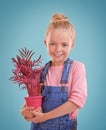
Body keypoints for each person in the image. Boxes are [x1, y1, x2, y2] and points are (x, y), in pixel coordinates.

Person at [20, 13, 87, 130]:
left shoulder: (76, 68)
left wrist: (45, 117)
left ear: (72, 45)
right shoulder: (38, 72)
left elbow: (77, 101)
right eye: (52, 44)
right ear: (45, 43)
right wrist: (25, 113)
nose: (58, 49)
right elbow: (32, 103)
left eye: (64, 44)